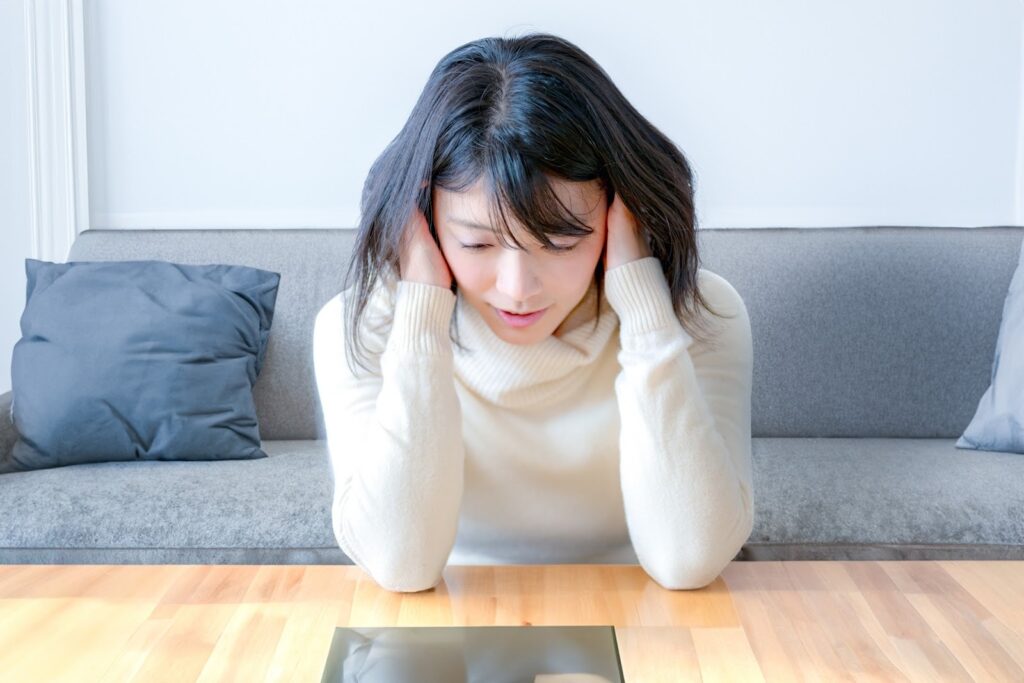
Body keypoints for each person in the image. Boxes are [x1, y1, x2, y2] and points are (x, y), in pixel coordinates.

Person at [313, 32, 754, 593]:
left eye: (561, 242)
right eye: (476, 245)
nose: (517, 289)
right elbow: (400, 563)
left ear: (625, 212)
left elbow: (689, 559)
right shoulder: (362, 327)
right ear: (421, 218)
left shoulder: (701, 313)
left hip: (650, 626)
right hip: (451, 626)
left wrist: (645, 311)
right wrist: (421, 315)